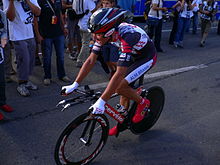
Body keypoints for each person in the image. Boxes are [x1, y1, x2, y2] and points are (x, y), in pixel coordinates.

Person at [61, 8, 157, 136]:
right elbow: (90, 61)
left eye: (97, 34)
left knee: (120, 87)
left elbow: (119, 73)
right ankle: (122, 122)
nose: (94, 37)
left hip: (146, 58)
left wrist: (102, 101)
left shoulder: (128, 36)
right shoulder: (104, 34)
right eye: (93, 33)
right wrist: (75, 84)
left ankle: (143, 103)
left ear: (110, 32)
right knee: (122, 88)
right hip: (131, 55)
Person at [3, 0, 41, 97]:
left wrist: (27, 1)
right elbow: (10, 17)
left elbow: (38, 12)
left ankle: (26, 80)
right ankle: (21, 84)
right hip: (17, 35)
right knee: (23, 59)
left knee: (31, 60)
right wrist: (11, 2)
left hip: (29, 33)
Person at [35, 0, 71, 86]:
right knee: (47, 57)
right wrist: (38, 35)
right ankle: (47, 76)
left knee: (61, 56)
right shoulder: (40, 2)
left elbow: (59, 13)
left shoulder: (58, 1)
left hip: (58, 33)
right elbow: (35, 19)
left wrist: (64, 27)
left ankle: (62, 75)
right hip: (46, 34)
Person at [72, 0, 96, 68]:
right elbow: (94, 11)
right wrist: (99, 4)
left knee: (84, 43)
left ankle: (86, 59)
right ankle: (80, 60)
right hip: (86, 25)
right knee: (86, 44)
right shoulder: (89, 1)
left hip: (80, 23)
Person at [0, 9, 13, 120]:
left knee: (1, 80)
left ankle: (2, 102)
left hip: (0, 52)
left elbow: (4, 30)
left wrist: (3, 40)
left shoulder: (1, 13)